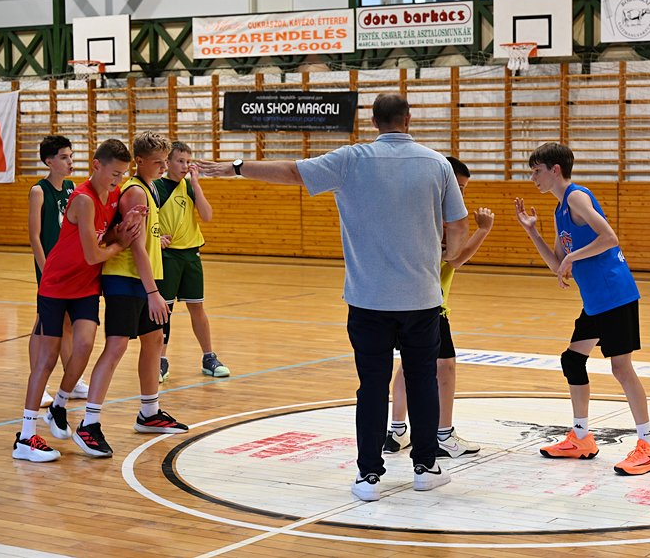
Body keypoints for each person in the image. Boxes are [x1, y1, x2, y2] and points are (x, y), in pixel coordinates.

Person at [198, 92, 469, 502]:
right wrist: (444, 255)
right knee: (422, 382)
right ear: (409, 119)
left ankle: (369, 475)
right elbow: (459, 227)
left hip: (368, 299)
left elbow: (290, 171)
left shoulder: (351, 159)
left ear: (373, 122)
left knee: (372, 385)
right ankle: (426, 467)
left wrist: (236, 167)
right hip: (422, 299)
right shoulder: (437, 164)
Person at [514, 142, 650, 476]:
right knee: (572, 360)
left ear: (555, 170)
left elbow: (610, 237)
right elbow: (558, 265)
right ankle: (581, 438)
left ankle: (648, 446)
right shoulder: (559, 211)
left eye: (537, 171)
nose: (533, 178)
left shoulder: (576, 197)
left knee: (621, 369)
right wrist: (532, 232)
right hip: (596, 301)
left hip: (615, 295)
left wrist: (573, 256)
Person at [14, 139, 143, 462]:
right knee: (47, 358)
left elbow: (104, 237)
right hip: (57, 285)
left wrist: (122, 228)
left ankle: (58, 405)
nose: (119, 180)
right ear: (97, 166)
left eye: (123, 175)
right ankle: (25, 437)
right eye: (115, 173)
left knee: (84, 346)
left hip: (86, 287)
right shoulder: (83, 199)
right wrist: (121, 243)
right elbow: (92, 254)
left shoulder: (114, 195)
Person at [69, 131, 189, 459]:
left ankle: (149, 412)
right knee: (117, 346)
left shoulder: (149, 188)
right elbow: (135, 246)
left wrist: (157, 243)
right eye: (158, 162)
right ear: (140, 161)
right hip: (126, 278)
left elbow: (144, 237)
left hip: (145, 278)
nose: (164, 167)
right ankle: (88, 423)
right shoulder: (135, 191)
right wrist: (153, 291)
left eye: (166, 161)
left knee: (154, 341)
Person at [385, 156, 493, 459]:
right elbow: (455, 259)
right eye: (458, 187)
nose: (461, 193)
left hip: (403, 300)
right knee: (446, 366)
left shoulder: (415, 211)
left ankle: (397, 431)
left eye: (464, 188)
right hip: (428, 304)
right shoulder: (445, 219)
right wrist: (483, 230)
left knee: (408, 365)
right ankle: (443, 434)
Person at [155, 141, 228, 382]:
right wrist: (155, 238)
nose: (185, 166)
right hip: (167, 256)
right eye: (180, 161)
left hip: (191, 255)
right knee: (165, 311)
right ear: (167, 162)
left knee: (197, 307)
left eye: (188, 161)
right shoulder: (156, 187)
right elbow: (146, 219)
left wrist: (196, 184)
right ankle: (160, 360)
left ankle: (209, 357)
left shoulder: (188, 186)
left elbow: (207, 215)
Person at [28, 135, 89, 406]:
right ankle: (38, 384)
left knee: (67, 323)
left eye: (71, 156)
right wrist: (45, 272)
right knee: (43, 323)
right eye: (64, 157)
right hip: (49, 269)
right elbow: (35, 236)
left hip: (69, 267)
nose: (70, 162)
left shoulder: (72, 189)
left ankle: (72, 382)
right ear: (49, 161)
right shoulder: (39, 191)